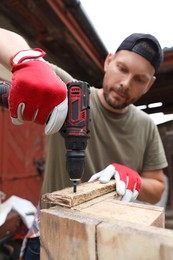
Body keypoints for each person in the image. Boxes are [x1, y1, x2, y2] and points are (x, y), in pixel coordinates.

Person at [0, 28, 168, 259]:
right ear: (109, 61)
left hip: (110, 239)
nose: (125, 84)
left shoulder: (146, 125)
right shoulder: (70, 92)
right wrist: (25, 61)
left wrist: (135, 180)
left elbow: (157, 185)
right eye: (122, 69)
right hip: (48, 233)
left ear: (149, 85)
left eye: (139, 79)